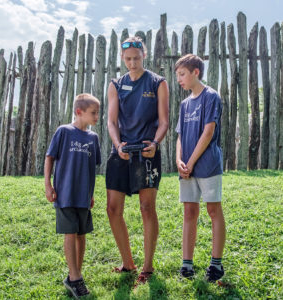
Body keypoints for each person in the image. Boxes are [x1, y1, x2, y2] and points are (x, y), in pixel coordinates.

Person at [106, 37, 169, 284]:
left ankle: (148, 266)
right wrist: (117, 144)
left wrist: (155, 144)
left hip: (147, 151)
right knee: (112, 209)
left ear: (144, 55)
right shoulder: (115, 84)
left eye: (137, 57)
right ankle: (128, 263)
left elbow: (164, 121)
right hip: (121, 150)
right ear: (122, 58)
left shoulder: (158, 82)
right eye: (128, 59)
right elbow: (111, 122)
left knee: (146, 208)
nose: (133, 63)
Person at [175, 54, 226, 282]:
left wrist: (192, 162)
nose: (179, 80)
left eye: (182, 74)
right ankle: (187, 264)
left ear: (196, 72)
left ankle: (216, 265)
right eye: (177, 75)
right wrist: (179, 160)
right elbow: (180, 135)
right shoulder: (185, 104)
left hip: (206, 166)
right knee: (189, 212)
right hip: (186, 167)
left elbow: (208, 133)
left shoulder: (211, 96)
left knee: (213, 211)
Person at [44, 93, 101, 298]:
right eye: (93, 113)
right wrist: (48, 186)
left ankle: (74, 274)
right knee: (70, 233)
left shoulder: (93, 138)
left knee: (81, 234)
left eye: (98, 113)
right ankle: (76, 278)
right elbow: (49, 157)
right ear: (79, 112)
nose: (97, 117)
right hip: (65, 194)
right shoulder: (64, 132)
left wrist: (91, 194)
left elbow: (91, 168)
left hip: (83, 196)